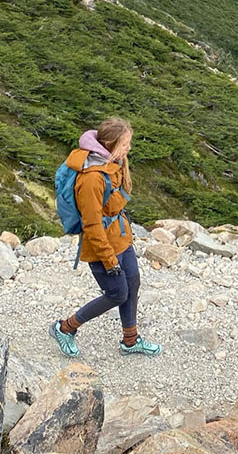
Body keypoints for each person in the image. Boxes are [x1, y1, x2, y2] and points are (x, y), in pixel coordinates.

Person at [50, 118, 161, 357]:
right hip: (100, 246)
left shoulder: (114, 162)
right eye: (124, 144)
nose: (128, 149)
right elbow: (92, 225)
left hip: (120, 236)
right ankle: (64, 328)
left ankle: (130, 341)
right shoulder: (91, 178)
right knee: (117, 293)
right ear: (109, 144)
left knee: (132, 283)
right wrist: (110, 261)